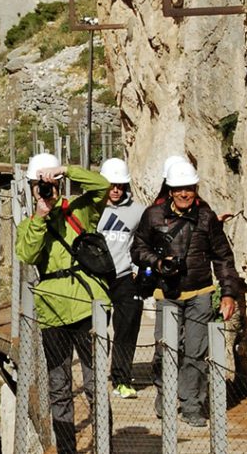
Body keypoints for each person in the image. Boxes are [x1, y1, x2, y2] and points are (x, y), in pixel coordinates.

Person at [130, 160, 243, 427]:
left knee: (195, 351)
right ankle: (165, 394)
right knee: (164, 348)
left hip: (200, 292)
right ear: (170, 189)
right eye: (179, 188)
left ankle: (192, 404)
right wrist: (158, 263)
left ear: (195, 188)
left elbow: (223, 257)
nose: (184, 193)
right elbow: (137, 249)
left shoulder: (206, 217)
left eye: (189, 188)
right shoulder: (153, 215)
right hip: (166, 293)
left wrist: (229, 294)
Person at [16, 153, 110, 454]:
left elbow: (102, 186)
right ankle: (68, 450)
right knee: (59, 387)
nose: (45, 191)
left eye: (48, 185)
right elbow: (28, 255)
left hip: (86, 305)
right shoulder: (31, 224)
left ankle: (104, 445)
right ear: (32, 189)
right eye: (39, 185)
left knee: (95, 382)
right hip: (52, 313)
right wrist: (42, 215)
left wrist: (66, 171)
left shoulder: (78, 211)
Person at [96, 158, 146, 399]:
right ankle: (93, 376)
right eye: (110, 185)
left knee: (126, 330)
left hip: (125, 277)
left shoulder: (138, 212)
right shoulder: (91, 210)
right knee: (94, 329)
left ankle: (122, 380)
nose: (115, 190)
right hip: (96, 278)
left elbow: (148, 239)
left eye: (119, 185)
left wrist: (138, 267)